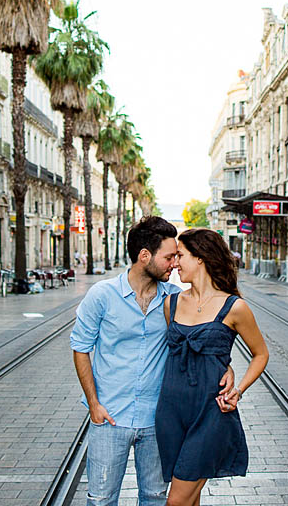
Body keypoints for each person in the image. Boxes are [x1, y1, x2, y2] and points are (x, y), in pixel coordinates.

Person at [71, 216, 235, 506]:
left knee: (156, 499)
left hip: (159, 420)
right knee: (100, 500)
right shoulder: (102, 296)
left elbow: (202, 338)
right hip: (110, 418)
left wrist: (228, 367)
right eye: (169, 256)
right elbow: (80, 348)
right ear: (145, 256)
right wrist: (94, 404)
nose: (175, 263)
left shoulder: (174, 299)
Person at [156, 228, 269, 506]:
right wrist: (224, 364)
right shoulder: (170, 303)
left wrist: (238, 389)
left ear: (200, 258)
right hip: (170, 411)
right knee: (190, 498)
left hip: (211, 412)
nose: (175, 263)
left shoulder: (235, 307)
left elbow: (261, 354)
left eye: (180, 256)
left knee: (176, 501)